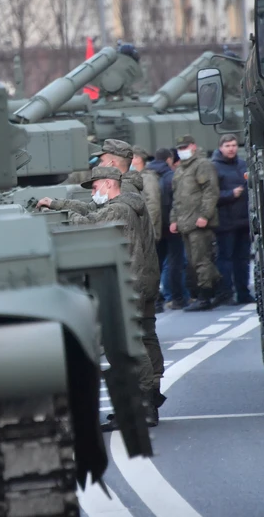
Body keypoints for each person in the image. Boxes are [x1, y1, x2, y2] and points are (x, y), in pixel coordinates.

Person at [37, 165, 162, 427]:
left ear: (107, 183)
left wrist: (64, 212)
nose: (93, 193)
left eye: (94, 187)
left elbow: (89, 221)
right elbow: (92, 210)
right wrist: (56, 202)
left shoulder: (119, 209)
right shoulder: (126, 204)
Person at [116, 170, 166, 425]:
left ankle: (144, 401)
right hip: (146, 275)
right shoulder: (133, 195)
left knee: (132, 340)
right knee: (145, 334)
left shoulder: (122, 201)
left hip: (134, 278)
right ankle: (151, 394)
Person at [170, 134, 224, 311]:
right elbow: (176, 198)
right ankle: (221, 288)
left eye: (185, 147)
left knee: (201, 260)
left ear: (193, 146)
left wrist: (205, 215)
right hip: (185, 222)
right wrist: (174, 219)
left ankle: (205, 297)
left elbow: (210, 191)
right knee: (193, 262)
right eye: (180, 149)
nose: (182, 151)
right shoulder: (180, 170)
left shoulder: (203, 165)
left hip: (199, 222)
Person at [211, 134, 253, 304]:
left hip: (243, 220)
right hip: (225, 221)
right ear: (221, 147)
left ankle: (244, 293)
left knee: (243, 260)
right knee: (225, 259)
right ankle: (226, 292)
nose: (231, 148)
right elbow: (210, 195)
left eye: (234, 145)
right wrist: (230, 194)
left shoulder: (242, 165)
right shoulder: (214, 167)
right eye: (228, 145)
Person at [148, 148, 189, 310]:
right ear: (169, 159)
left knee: (155, 265)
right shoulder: (171, 176)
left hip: (154, 227)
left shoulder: (146, 176)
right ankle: (177, 298)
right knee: (175, 263)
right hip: (171, 227)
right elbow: (178, 202)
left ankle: (157, 300)